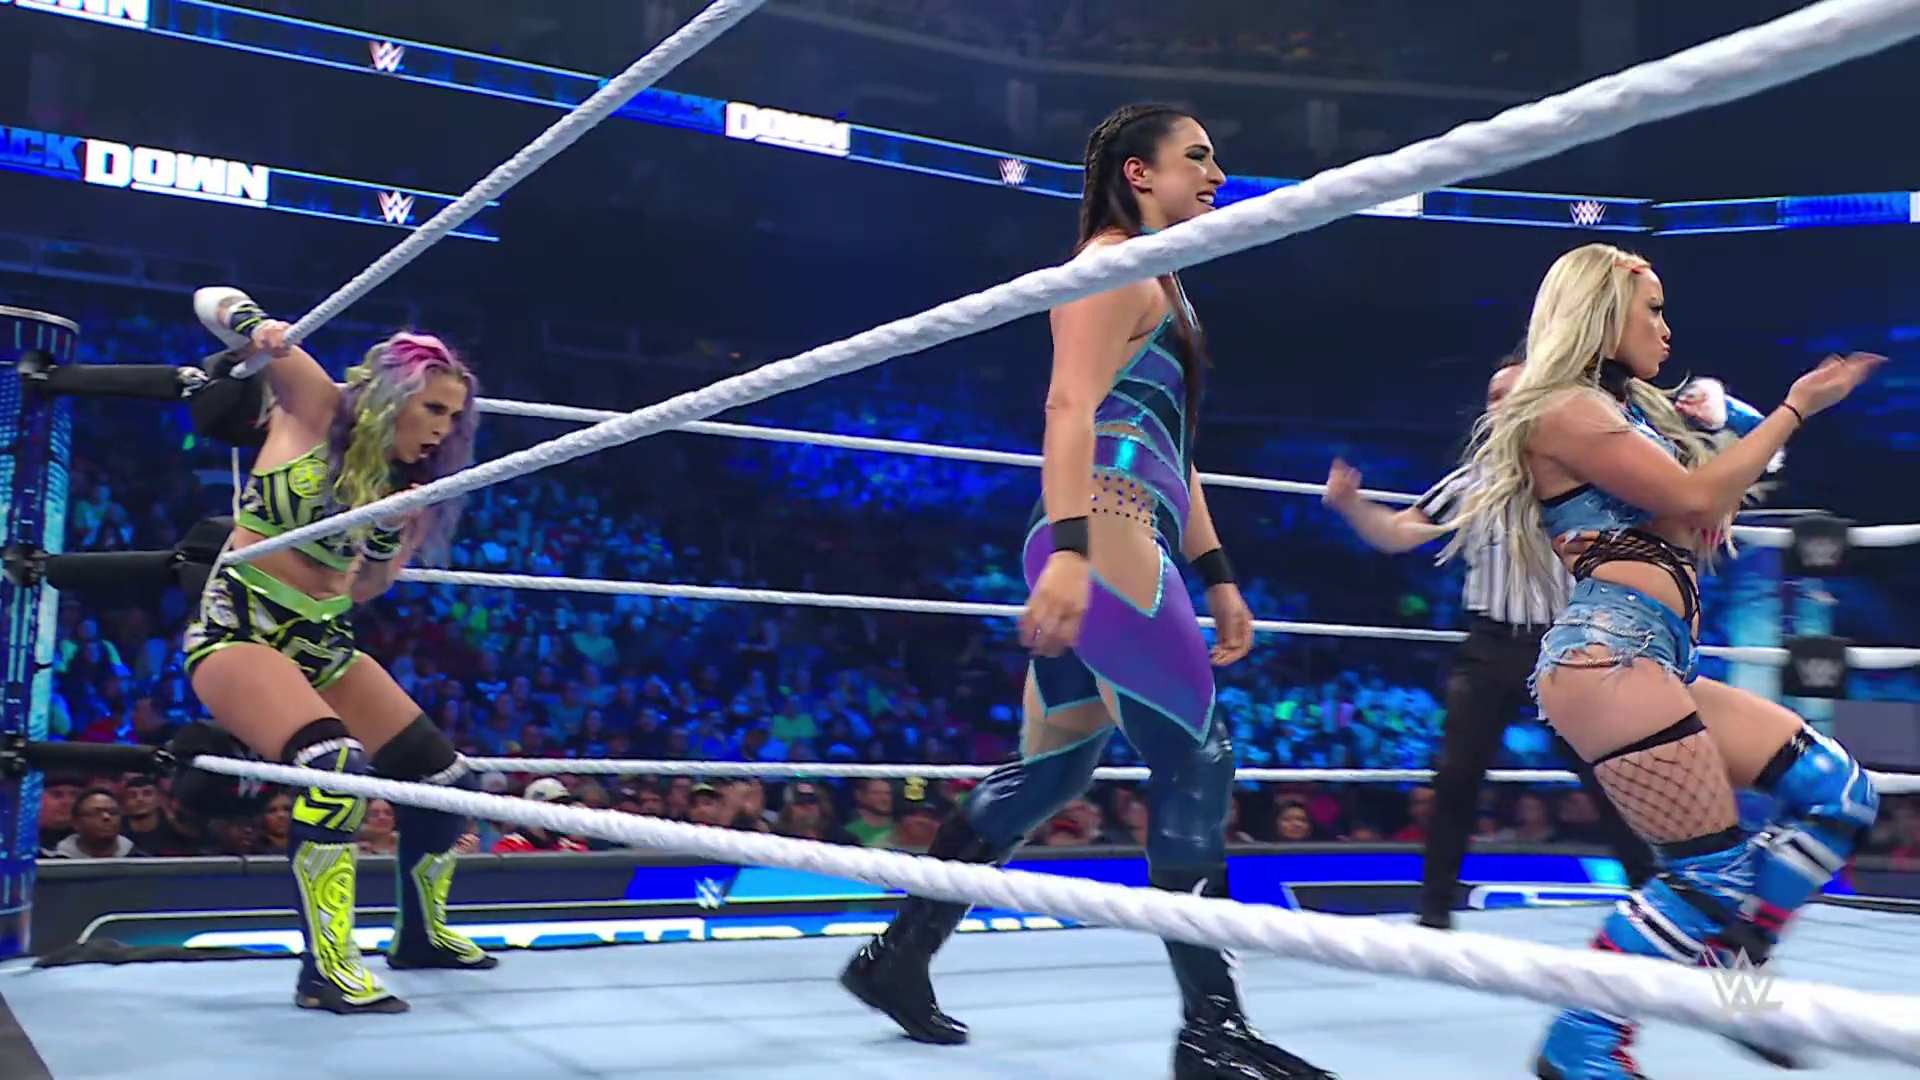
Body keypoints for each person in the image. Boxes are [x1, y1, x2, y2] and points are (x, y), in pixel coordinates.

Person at [838, 104, 1333, 1080]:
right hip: (1105, 529)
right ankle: (1213, 1032)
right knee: (1195, 757)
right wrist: (1071, 552)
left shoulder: (1161, 278)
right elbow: (1067, 404)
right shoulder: (1110, 265)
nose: (1218, 173)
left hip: (1126, 526)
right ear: (1139, 173)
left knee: (1052, 775)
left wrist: (1220, 575)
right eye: (1197, 157)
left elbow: (1174, 449)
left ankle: (897, 958)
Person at [1437, 244, 1883, 1080]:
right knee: (1707, 873)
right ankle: (1583, 1041)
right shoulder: (1564, 410)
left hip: (1656, 658)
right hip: (1608, 657)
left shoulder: (1626, 414)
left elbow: (1735, 488)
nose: (1667, 329)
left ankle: (1735, 967)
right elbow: (1695, 497)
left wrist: (1731, 414)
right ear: (1603, 314)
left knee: (1839, 793)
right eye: (1653, 311)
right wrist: (1796, 405)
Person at [181, 287, 496, 1015]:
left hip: (322, 641)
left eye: (454, 417)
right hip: (240, 631)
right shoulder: (315, 405)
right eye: (433, 409)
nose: (443, 429)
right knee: (336, 770)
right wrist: (258, 328)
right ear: (393, 395)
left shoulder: (406, 487)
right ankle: (325, 968)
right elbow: (210, 300)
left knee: (448, 780)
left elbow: (363, 590)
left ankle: (421, 935)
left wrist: (389, 535)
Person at [1323, 354, 1656, 928]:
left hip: (1567, 647)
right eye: (1494, 396)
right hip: (1490, 645)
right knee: (1456, 777)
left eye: (1513, 394)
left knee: (1605, 777)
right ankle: (1434, 913)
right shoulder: (1474, 481)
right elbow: (1400, 533)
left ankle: (1656, 898)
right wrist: (1353, 507)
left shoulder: (1586, 478)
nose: (1501, 406)